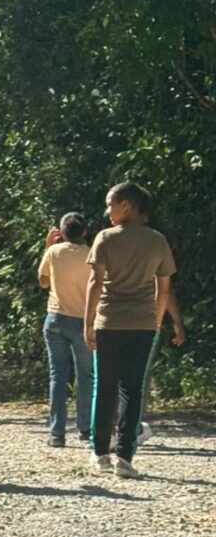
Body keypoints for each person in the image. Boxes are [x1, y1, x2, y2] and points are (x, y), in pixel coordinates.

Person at [84, 182, 178, 479]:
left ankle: (100, 453)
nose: (108, 211)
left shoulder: (105, 238)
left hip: (109, 322)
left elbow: (95, 283)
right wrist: (156, 321)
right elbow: (163, 287)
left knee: (105, 387)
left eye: (110, 205)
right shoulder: (157, 240)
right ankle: (124, 458)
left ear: (126, 205)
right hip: (143, 324)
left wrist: (88, 322)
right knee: (132, 389)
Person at [38, 213, 93, 447]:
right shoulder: (92, 254)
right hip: (83, 320)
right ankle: (85, 429)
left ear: (61, 232)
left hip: (56, 319)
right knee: (86, 376)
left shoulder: (53, 252)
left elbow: (43, 282)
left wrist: (48, 247)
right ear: (84, 232)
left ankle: (57, 433)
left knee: (57, 376)